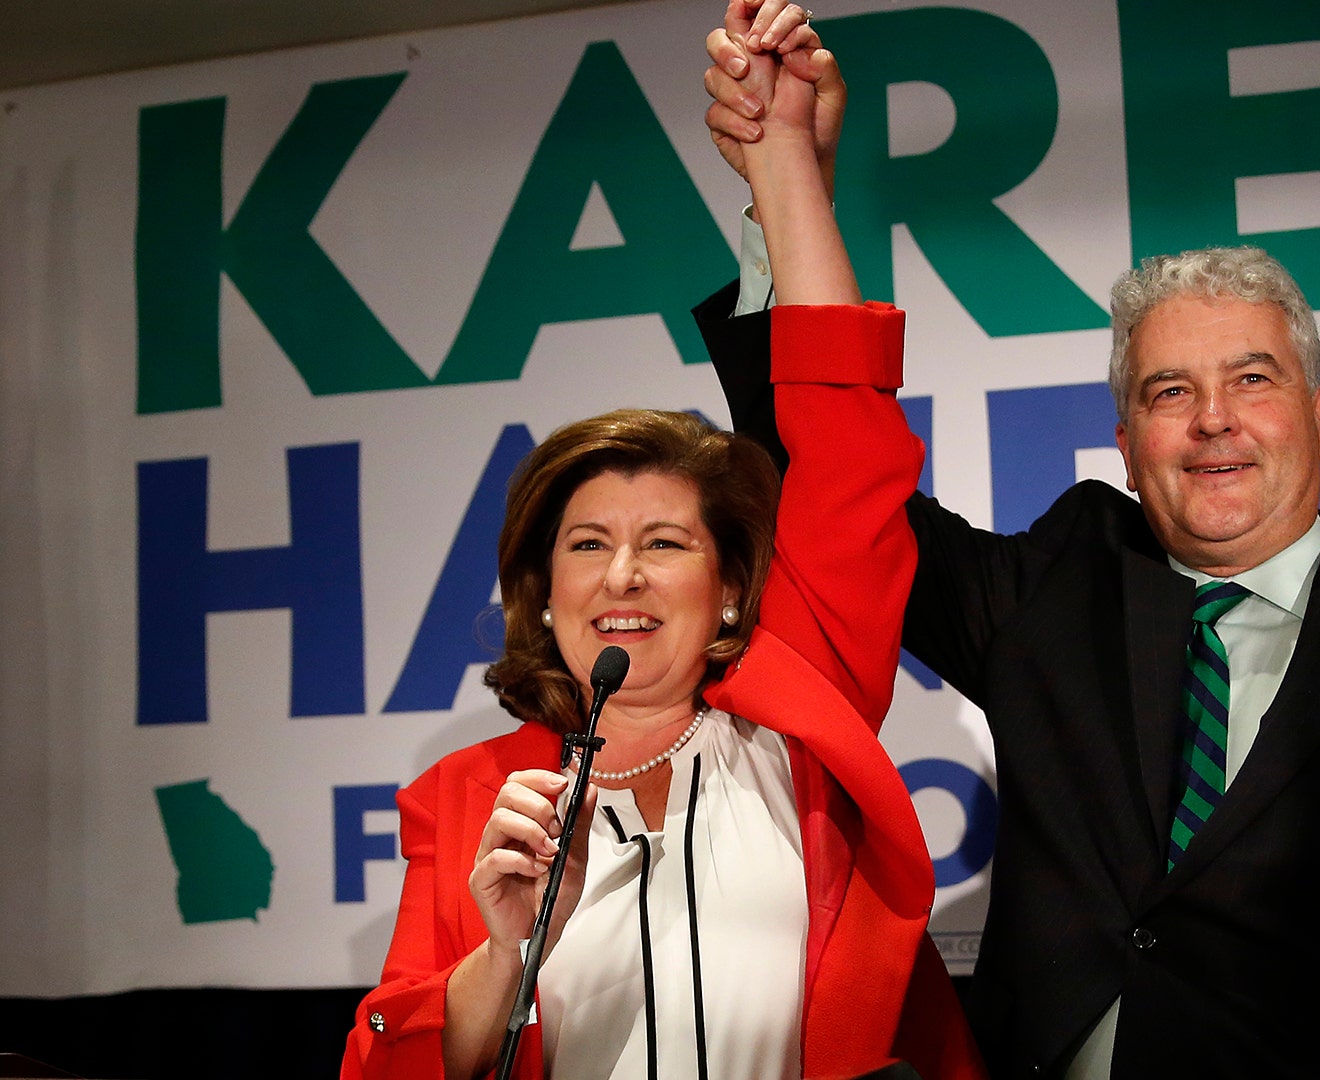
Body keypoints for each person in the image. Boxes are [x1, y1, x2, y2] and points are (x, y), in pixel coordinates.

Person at [697, 7, 1320, 1076]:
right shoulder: (1053, 594)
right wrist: (787, 190)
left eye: (1252, 379)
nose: (1213, 420)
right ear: (1124, 439)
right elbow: (832, 484)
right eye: (1170, 391)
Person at [341, 9, 983, 1078]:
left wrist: (783, 162)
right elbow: (393, 1066)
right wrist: (500, 952)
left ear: (734, 589)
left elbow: (849, 436)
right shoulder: (467, 798)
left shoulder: (799, 737)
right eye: (587, 544)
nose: (624, 574)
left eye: (666, 545)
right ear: (543, 594)